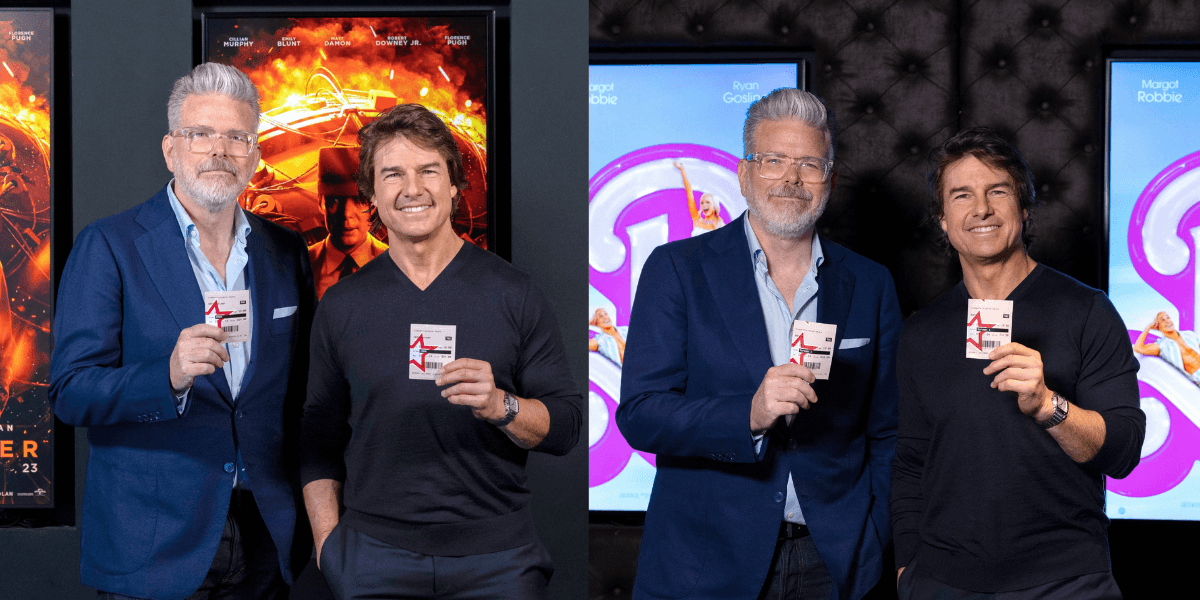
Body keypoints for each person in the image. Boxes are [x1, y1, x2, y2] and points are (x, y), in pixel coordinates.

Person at [618, 88, 901, 600]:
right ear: (746, 175)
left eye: (809, 164)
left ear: (829, 181)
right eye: (773, 161)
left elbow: (887, 432)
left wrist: (876, 537)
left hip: (835, 564)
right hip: (704, 564)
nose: (792, 179)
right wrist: (747, 414)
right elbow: (640, 414)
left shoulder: (871, 283)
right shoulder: (677, 270)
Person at [48, 62, 315, 599]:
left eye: (236, 136)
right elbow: (70, 393)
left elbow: (300, 392)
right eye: (201, 134)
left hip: (265, 536)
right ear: (172, 150)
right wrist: (166, 375)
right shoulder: (109, 246)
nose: (218, 150)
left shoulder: (285, 253)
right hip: (155, 545)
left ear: (255, 156)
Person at [300, 103, 582, 600]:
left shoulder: (513, 293)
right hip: (372, 561)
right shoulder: (341, 305)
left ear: (454, 185)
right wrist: (329, 547)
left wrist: (501, 406)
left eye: (429, 170)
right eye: (393, 174)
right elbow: (317, 437)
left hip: (499, 562)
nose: (412, 188)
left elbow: (564, 427)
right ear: (372, 195)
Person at [891, 127, 1145, 598]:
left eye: (997, 191)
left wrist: (1050, 405)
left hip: (1066, 581)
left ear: (1024, 208)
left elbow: (1125, 450)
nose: (981, 208)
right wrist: (907, 567)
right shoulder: (922, 331)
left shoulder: (1087, 310)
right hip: (945, 582)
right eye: (961, 194)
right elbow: (910, 462)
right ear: (943, 220)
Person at [307, 146, 388, 299]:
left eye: (359, 200)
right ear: (320, 202)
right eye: (335, 200)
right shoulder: (299, 266)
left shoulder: (396, 265)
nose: (346, 214)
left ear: (374, 204)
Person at [1134, 311, 1200, 384]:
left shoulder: (1188, 334)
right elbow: (1138, 348)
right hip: (1197, 378)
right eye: (1163, 320)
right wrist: (1149, 327)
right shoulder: (1163, 346)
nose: (1167, 321)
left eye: (1168, 318)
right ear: (1158, 326)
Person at [674, 159, 725, 236]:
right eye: (702, 203)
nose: (704, 205)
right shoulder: (697, 219)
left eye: (708, 202)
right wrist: (682, 171)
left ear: (714, 206)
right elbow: (689, 194)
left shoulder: (719, 224)